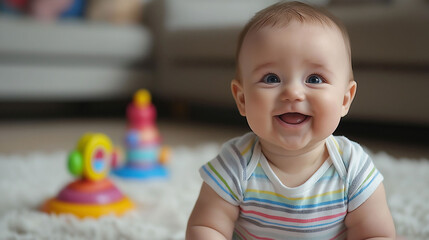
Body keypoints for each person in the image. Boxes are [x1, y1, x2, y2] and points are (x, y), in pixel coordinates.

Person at [186, 1, 396, 239]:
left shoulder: (353, 168)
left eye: (315, 79)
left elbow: (375, 234)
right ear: (242, 99)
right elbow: (207, 227)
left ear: (345, 100)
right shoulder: (234, 165)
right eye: (272, 78)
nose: (293, 93)